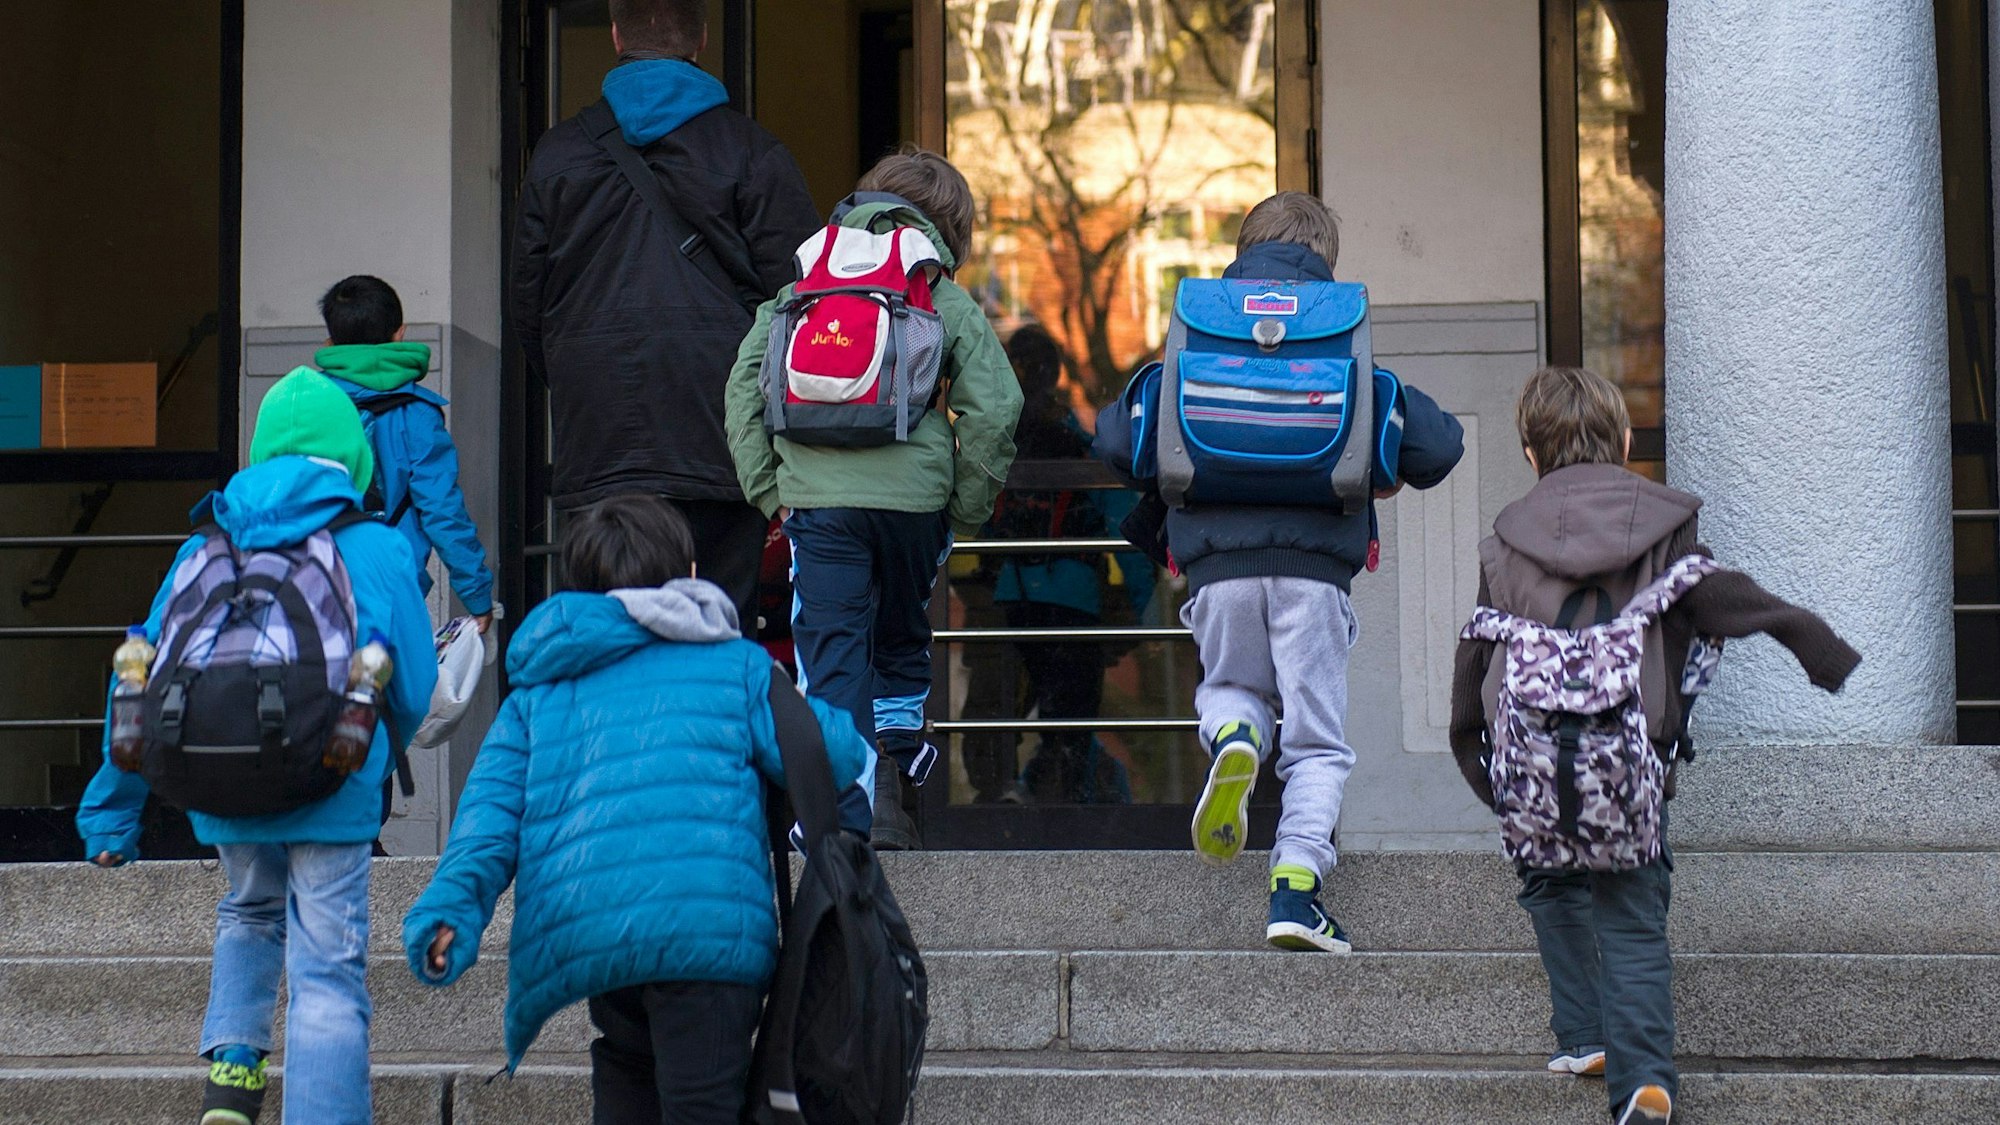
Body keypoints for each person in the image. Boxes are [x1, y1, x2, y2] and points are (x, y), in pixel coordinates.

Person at [1448, 365, 1861, 1125]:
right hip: (1631, 760)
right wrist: (1815, 646)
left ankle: (1581, 1033)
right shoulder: (1664, 526)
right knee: (1631, 914)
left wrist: (1479, 763)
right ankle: (1644, 1082)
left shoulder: (1504, 542)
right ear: (1628, 441)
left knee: (1548, 880)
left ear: (1531, 454)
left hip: (1533, 763)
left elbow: (1476, 661)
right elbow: (1723, 597)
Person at [401, 494, 868, 1125]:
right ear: (691, 574)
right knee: (702, 1104)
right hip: (711, 935)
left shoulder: (542, 690)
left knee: (626, 1076)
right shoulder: (737, 667)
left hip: (599, 935)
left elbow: (488, 819)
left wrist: (451, 910)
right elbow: (832, 754)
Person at [1098, 191, 1465, 952]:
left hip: (1214, 572)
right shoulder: (1340, 349)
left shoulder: (1195, 343)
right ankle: (1295, 890)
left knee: (1232, 686)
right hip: (1313, 574)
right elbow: (1438, 447)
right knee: (1320, 745)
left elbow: (1114, 438)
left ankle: (1234, 734)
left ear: (1242, 253)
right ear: (1326, 263)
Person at [76, 369, 436, 1125]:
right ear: (354, 460)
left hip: (222, 780)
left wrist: (112, 815)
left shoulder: (204, 547)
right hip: (333, 781)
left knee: (249, 911)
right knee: (327, 973)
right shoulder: (373, 546)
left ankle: (232, 1084)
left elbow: (139, 675)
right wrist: (362, 758)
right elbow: (409, 685)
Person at [724, 147, 1024, 849]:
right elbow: (998, 405)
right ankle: (893, 758)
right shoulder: (934, 291)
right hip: (914, 506)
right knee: (897, 633)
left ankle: (843, 819)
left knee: (830, 650)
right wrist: (962, 507)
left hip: (819, 509)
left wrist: (774, 494)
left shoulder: (803, 287)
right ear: (950, 228)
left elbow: (742, 389)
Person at [510, 0, 820, 631]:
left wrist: (576, 383)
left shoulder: (557, 155)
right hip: (720, 436)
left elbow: (528, 306)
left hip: (599, 441)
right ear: (702, 41)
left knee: (602, 631)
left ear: (617, 35)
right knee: (719, 628)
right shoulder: (752, 152)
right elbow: (800, 303)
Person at [981, 324, 1148, 805]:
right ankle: (1069, 809)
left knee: (1019, 715)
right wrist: (1135, 611)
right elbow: (1125, 524)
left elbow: (983, 519)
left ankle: (1014, 793)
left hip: (1012, 598)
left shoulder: (1000, 438)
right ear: (1054, 374)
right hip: (1072, 598)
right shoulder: (1075, 442)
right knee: (1072, 715)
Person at [316, 274, 497, 635]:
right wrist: (477, 596)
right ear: (400, 334)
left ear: (331, 341)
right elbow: (443, 512)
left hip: (314, 585)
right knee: (388, 687)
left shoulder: (307, 403)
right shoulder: (416, 413)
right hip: (391, 591)